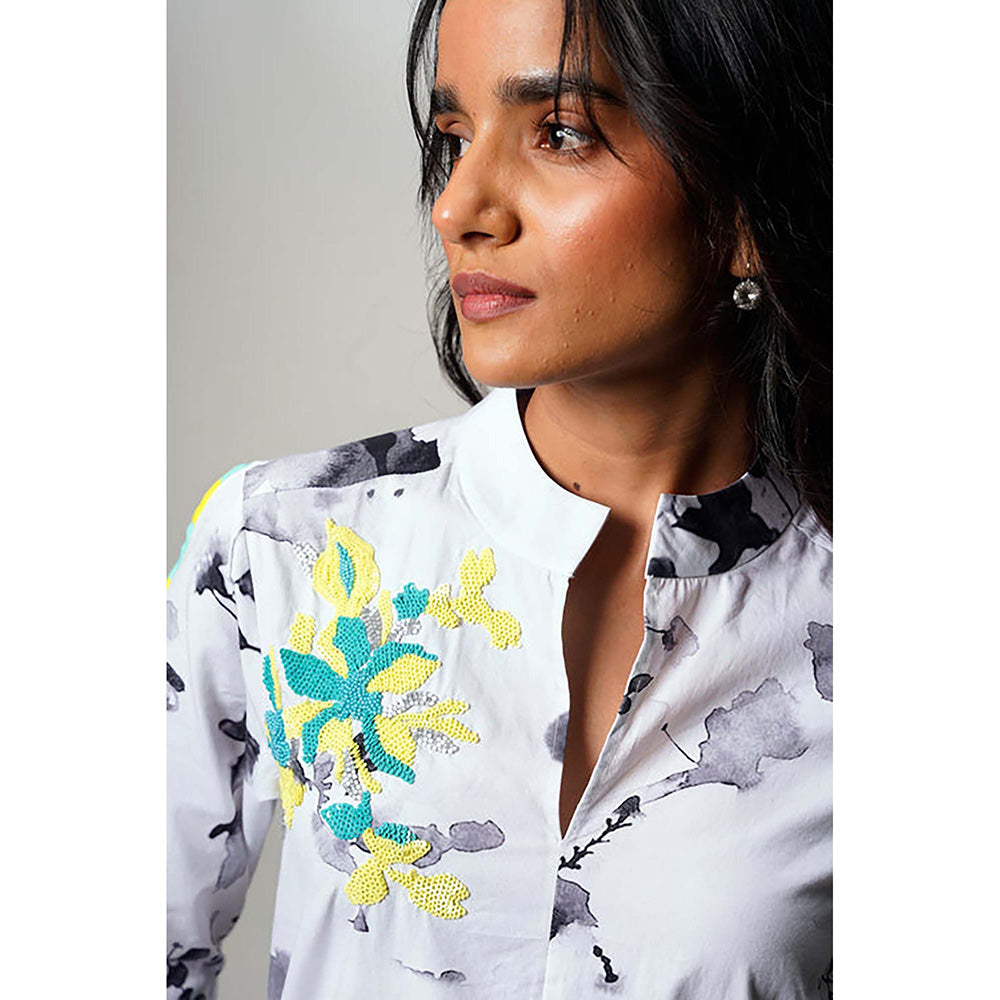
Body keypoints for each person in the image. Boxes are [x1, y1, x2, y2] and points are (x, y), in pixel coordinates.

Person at [166, 0, 832, 997]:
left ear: (744, 207)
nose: (458, 206)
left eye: (559, 132)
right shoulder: (280, 544)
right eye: (454, 136)